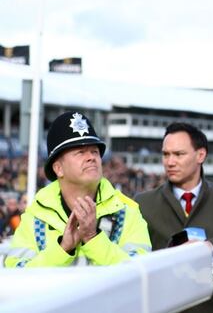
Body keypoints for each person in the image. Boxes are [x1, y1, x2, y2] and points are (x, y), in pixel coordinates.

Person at [135, 122, 213, 313]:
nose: (170, 162)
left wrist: (208, 249)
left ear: (200, 155)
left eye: (178, 154)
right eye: (166, 154)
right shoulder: (143, 203)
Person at [4, 111, 151, 268]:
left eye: (94, 151)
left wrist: (93, 238)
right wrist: (62, 249)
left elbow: (140, 274)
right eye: (80, 152)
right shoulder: (36, 218)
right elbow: (18, 276)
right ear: (58, 168)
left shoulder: (127, 212)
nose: (91, 157)